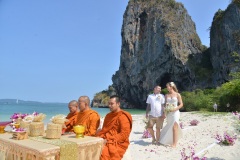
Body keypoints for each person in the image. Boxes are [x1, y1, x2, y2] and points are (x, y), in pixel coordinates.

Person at [96, 95, 132, 160]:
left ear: (118, 104)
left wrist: (108, 140)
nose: (109, 106)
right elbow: (104, 130)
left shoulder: (123, 116)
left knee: (104, 152)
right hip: (106, 137)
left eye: (112, 104)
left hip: (117, 141)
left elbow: (124, 134)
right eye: (109, 104)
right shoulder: (108, 116)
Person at [160, 82, 183, 148]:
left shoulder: (177, 94)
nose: (167, 88)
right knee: (170, 126)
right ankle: (168, 139)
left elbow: (181, 104)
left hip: (176, 113)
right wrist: (164, 113)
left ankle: (174, 144)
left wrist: (175, 109)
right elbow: (165, 105)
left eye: (167, 86)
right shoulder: (166, 95)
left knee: (175, 126)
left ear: (171, 87)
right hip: (169, 113)